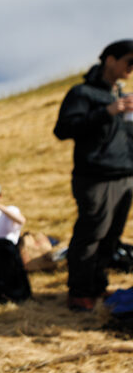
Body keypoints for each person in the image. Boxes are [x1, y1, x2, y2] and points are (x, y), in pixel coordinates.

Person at [54, 39, 133, 311]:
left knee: (112, 236)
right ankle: (79, 292)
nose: (132, 69)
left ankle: (97, 286)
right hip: (95, 177)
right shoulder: (83, 93)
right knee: (92, 233)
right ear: (110, 59)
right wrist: (106, 112)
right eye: (129, 61)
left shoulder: (120, 96)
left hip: (125, 176)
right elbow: (63, 129)